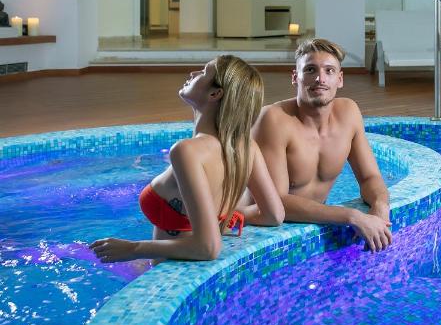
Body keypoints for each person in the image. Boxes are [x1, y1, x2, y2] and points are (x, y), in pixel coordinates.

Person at [90, 55, 284, 262]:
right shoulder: (246, 148)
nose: (193, 73)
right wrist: (225, 217)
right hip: (176, 268)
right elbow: (273, 215)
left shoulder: (187, 151)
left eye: (203, 72)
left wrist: (133, 249)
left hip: (167, 271)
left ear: (215, 93)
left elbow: (208, 248)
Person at [252, 38, 392, 252]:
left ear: (340, 79)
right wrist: (352, 216)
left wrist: (380, 205)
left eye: (329, 71)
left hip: (314, 226)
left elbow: (369, 177)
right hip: (265, 232)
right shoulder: (273, 120)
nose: (320, 79)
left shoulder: (349, 114)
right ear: (295, 77)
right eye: (310, 70)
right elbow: (276, 202)